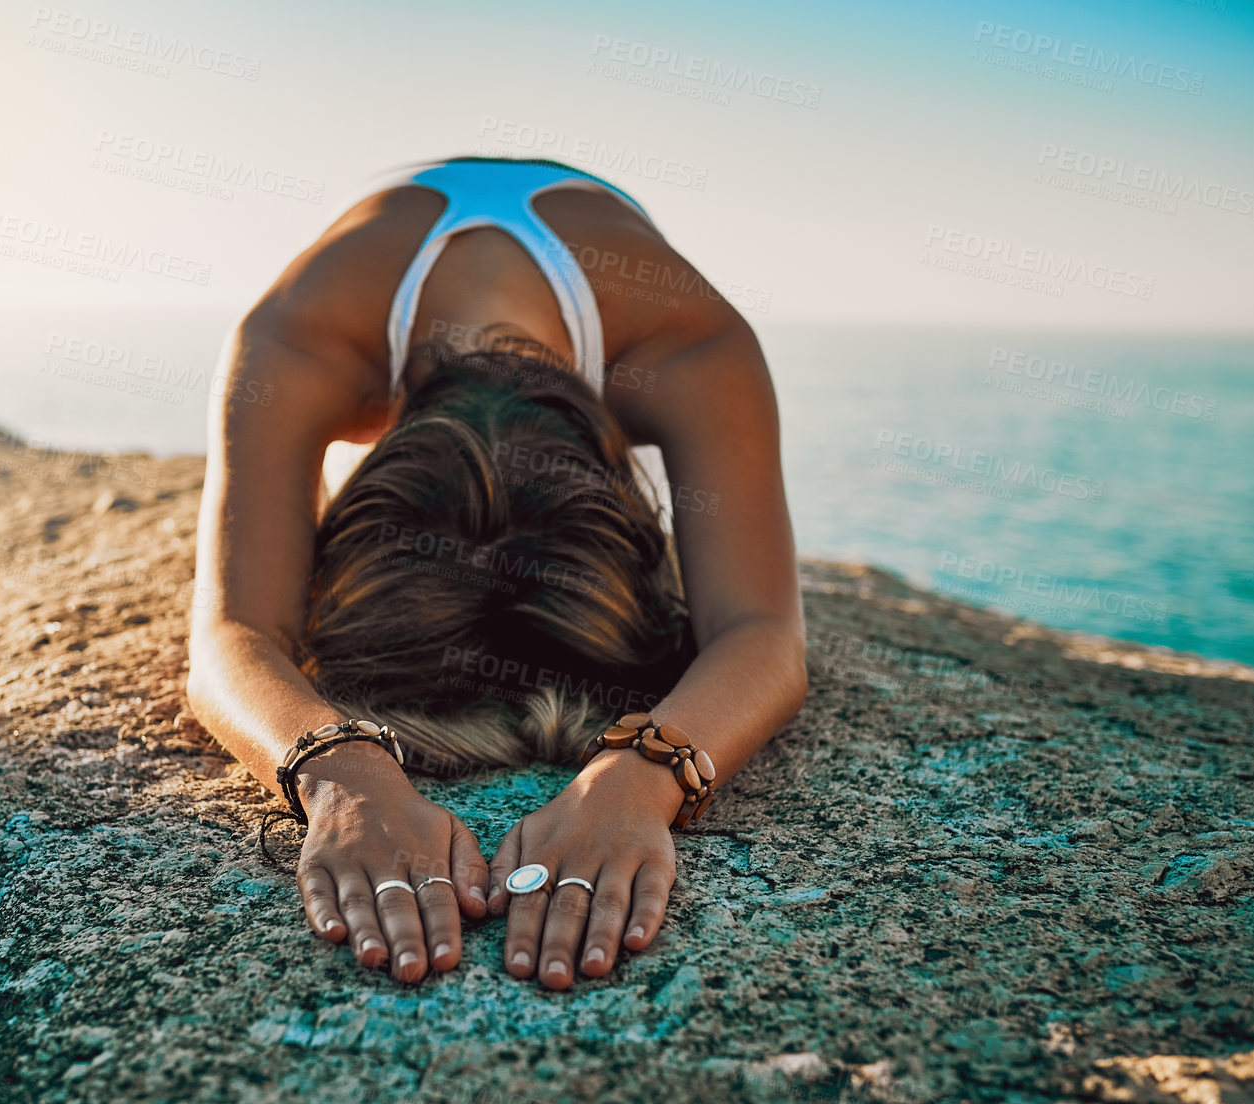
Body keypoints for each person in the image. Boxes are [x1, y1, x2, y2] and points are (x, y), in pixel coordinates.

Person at [187, 155, 806, 990]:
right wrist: (343, 773)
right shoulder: (294, 340)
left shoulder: (691, 345)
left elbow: (764, 632)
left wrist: (636, 780)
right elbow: (229, 636)